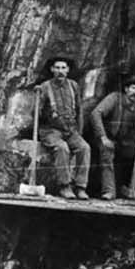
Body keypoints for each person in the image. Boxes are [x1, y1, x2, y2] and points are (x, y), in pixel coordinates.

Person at [34, 55, 90, 200]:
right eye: (57, 68)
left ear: (68, 70)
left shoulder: (73, 86)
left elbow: (79, 110)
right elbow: (35, 114)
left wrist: (80, 132)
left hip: (71, 130)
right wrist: (38, 99)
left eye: (63, 68)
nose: (60, 71)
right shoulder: (45, 87)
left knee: (85, 148)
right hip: (51, 131)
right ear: (52, 69)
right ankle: (65, 186)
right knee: (62, 148)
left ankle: (80, 187)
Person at [86, 75, 135, 200]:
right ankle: (109, 191)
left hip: (122, 142)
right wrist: (103, 137)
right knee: (107, 151)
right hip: (102, 137)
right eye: (133, 88)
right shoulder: (114, 98)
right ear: (126, 89)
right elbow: (95, 114)